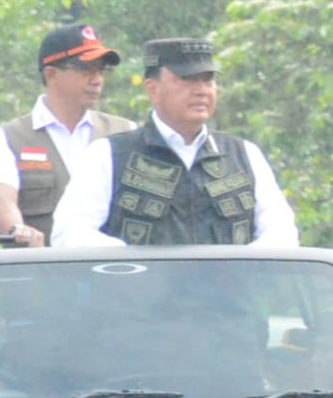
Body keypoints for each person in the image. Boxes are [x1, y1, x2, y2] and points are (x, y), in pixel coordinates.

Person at [50, 38, 301, 248]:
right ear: (153, 89)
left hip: (227, 303)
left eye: (208, 80)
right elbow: (69, 234)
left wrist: (241, 266)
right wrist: (134, 264)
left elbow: (282, 233)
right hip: (139, 304)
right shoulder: (109, 155)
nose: (202, 90)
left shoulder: (244, 154)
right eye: (187, 80)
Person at [0, 24, 133, 244]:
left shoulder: (125, 131)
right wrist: (19, 232)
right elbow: (0, 200)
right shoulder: (7, 137)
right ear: (51, 74)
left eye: (101, 70)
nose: (97, 79)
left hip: (116, 270)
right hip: (41, 271)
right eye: (85, 69)